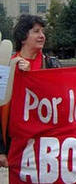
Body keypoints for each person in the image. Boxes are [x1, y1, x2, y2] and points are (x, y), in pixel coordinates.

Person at [0, 15, 61, 167]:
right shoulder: (6, 66)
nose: (42, 36)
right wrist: (1, 150)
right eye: (36, 31)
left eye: (42, 32)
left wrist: (32, 77)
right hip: (17, 142)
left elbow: (61, 100)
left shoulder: (51, 64)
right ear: (23, 37)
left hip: (47, 140)